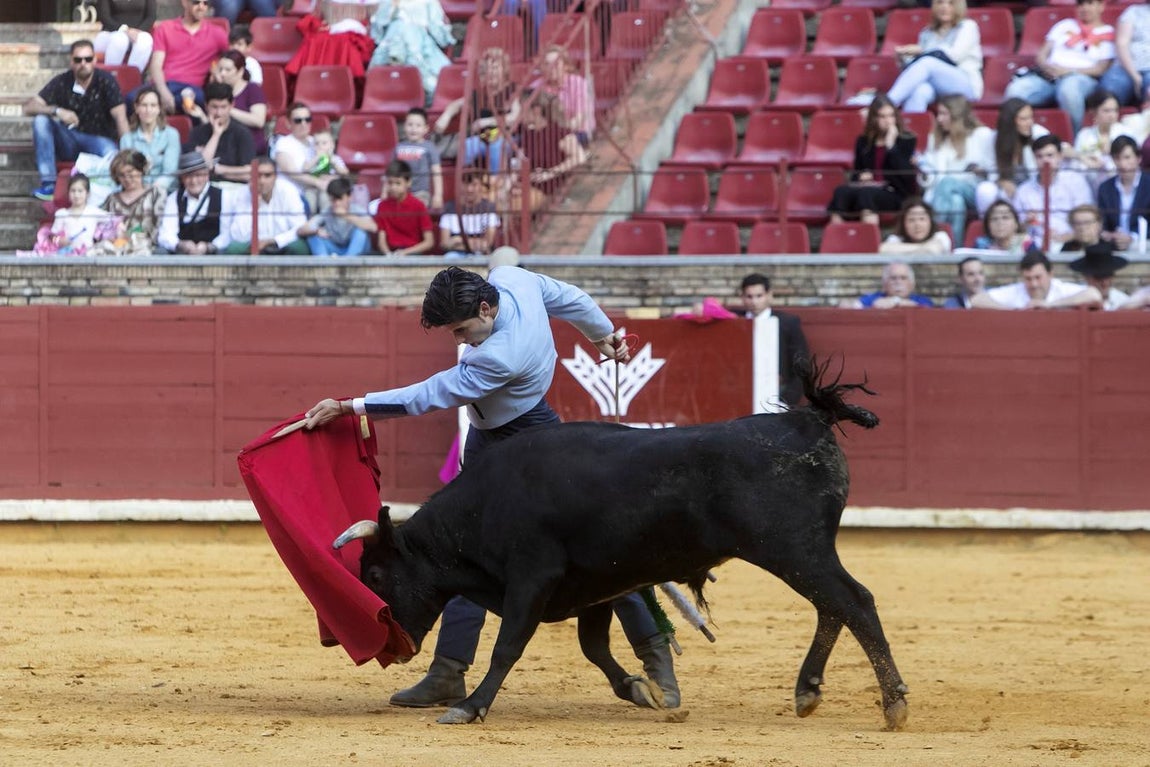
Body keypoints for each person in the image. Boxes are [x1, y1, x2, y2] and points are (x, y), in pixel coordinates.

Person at [301, 265, 681, 711]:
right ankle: (448, 671)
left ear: (485, 307)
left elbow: (429, 395)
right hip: (487, 438)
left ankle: (656, 659)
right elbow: (572, 298)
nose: (459, 341)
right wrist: (603, 336)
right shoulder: (513, 278)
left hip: (531, 440)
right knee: (456, 550)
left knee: (602, 549)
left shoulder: (499, 356)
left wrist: (351, 407)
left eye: (462, 330)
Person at [25, 39, 128, 201]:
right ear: (71, 61)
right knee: (40, 120)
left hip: (100, 139)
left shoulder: (106, 81)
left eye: (87, 59)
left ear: (94, 60)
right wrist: (56, 110)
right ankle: (49, 184)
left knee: (110, 151)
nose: (83, 64)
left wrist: (128, 153)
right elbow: (29, 107)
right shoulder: (62, 81)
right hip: (70, 139)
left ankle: (118, 188)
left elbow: (120, 117)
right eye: (78, 60)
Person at [1003, 0, 1115, 135]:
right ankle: (1014, 140)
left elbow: (1101, 68)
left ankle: (1073, 138)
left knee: (1069, 90)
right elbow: (1042, 55)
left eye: (1090, 3)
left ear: (1101, 6)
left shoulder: (1108, 32)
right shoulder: (1064, 25)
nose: (1084, 8)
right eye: (1080, 4)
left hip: (1082, 78)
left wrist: (1068, 71)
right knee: (1015, 91)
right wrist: (1047, 67)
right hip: (1049, 77)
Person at [827, 94, 918, 226]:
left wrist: (891, 146)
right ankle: (837, 240)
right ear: (873, 118)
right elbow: (855, 174)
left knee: (867, 195)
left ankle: (868, 242)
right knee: (841, 192)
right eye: (882, 116)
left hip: (895, 192)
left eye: (891, 116)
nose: (888, 121)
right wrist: (861, 177)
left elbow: (906, 177)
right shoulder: (863, 142)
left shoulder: (906, 140)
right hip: (870, 188)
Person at [916, 95, 993, 246]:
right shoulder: (936, 139)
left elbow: (993, 168)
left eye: (944, 114)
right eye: (939, 114)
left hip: (975, 191)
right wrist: (923, 170)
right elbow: (931, 178)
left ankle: (934, 234)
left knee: (948, 182)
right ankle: (953, 248)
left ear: (957, 115)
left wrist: (980, 170)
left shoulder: (982, 135)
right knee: (956, 203)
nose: (939, 119)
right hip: (946, 196)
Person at [885, 0, 983, 113]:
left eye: (950, 3)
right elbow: (917, 69)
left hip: (965, 84)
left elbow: (954, 56)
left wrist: (922, 50)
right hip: (936, 85)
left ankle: (887, 105)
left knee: (928, 62)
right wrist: (902, 59)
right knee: (919, 91)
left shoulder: (967, 26)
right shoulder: (927, 32)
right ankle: (912, 128)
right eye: (940, 3)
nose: (944, 7)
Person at [436, 48, 520, 173]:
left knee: (496, 146)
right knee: (468, 146)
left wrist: (487, 122)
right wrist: (446, 116)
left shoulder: (513, 90)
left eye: (495, 67)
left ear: (504, 70)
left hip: (507, 137)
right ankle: (467, 183)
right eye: (488, 68)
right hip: (482, 137)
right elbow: (457, 104)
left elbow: (514, 116)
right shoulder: (479, 93)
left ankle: (495, 184)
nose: (491, 72)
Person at [505, 91, 587, 212]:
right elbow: (520, 163)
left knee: (518, 205)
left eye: (522, 110)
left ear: (536, 110)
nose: (519, 115)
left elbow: (579, 157)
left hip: (547, 188)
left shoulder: (560, 133)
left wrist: (550, 172)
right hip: (526, 185)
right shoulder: (528, 136)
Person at [738, 273, 810, 408]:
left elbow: (801, 365)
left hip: (777, 394)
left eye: (759, 296)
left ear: (769, 295)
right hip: (739, 392)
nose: (754, 302)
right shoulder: (733, 320)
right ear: (742, 297)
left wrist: (786, 401)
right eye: (749, 296)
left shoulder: (788, 323)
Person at [1011, 134, 1095, 248]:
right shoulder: (1023, 190)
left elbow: (1088, 219)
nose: (1045, 160)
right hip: (1034, 248)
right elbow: (1016, 228)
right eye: (1039, 156)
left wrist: (1069, 236)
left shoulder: (1075, 181)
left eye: (1050, 155)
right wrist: (1026, 222)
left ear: (1060, 157)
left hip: (1073, 244)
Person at [146, 0, 228, 115]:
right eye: (196, 2)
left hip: (193, 88)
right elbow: (156, 66)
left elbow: (233, 60)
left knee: (195, 100)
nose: (201, 7)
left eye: (205, 3)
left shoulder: (217, 33)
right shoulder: (165, 28)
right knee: (131, 99)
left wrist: (216, 70)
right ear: (184, 2)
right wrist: (164, 93)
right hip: (165, 84)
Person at [975, 98, 1051, 216]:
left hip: (1033, 188)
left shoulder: (1038, 133)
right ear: (1010, 121)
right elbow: (990, 169)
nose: (1030, 122)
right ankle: (989, 226)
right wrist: (1001, 181)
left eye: (1031, 117)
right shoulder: (993, 138)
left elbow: (1057, 147)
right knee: (985, 190)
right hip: (1007, 190)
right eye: (1024, 119)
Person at [367, 0, 455, 100]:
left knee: (408, 31)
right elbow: (376, 35)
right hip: (389, 47)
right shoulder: (387, 2)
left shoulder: (429, 2)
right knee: (399, 27)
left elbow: (441, 37)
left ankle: (404, 61)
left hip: (421, 46)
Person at [225, 156, 310, 254]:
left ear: (275, 177)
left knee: (299, 247)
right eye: (258, 175)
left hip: (281, 243)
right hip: (252, 245)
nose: (262, 181)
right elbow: (237, 236)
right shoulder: (242, 193)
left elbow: (300, 227)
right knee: (234, 248)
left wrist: (273, 241)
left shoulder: (288, 191)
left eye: (267, 175)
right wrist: (254, 206)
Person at [971, 248, 1101, 310]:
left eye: (1038, 277)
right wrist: (1013, 311)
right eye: (1028, 278)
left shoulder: (1060, 288)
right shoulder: (1017, 290)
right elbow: (977, 300)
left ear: (1050, 275)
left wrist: (1049, 305)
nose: (1033, 284)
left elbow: (1094, 295)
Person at [157, 150, 232, 255]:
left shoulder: (223, 196)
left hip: (214, 256)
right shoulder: (173, 198)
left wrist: (209, 247)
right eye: (188, 176)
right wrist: (180, 245)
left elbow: (227, 233)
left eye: (198, 175)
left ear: (206, 175)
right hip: (182, 256)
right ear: (182, 178)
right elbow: (166, 233)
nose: (193, 181)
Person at [183, 82, 254, 184]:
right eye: (214, 107)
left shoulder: (242, 133)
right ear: (206, 106)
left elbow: (249, 172)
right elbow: (201, 168)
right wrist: (216, 134)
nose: (218, 113)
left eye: (223, 107)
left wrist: (219, 169)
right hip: (205, 188)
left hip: (235, 189)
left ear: (231, 105)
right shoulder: (197, 133)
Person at [99, 148, 166, 253]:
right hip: (114, 247)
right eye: (122, 175)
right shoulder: (111, 199)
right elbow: (102, 226)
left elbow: (157, 228)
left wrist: (130, 235)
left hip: (145, 248)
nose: (127, 178)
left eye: (130, 172)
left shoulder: (156, 193)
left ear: (141, 170)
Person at [1068, 89, 1134, 193]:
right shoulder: (1084, 134)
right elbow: (1078, 162)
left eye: (1115, 110)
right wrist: (1084, 159)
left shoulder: (1126, 132)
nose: (1112, 115)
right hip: (1088, 184)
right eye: (1106, 111)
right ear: (1094, 112)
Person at [273, 102, 332, 212]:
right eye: (298, 121)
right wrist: (319, 183)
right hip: (292, 196)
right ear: (288, 123)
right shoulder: (283, 143)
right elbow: (293, 173)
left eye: (307, 119)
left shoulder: (316, 142)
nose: (304, 124)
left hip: (314, 192)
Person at [120, 86, 180, 193]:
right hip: (136, 193)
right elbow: (128, 174)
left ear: (159, 109)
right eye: (144, 105)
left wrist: (152, 191)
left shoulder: (171, 134)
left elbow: (169, 172)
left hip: (166, 192)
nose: (148, 110)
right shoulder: (127, 139)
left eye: (153, 105)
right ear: (136, 108)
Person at [207, 50, 268, 154]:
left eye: (227, 70)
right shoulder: (216, 90)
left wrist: (228, 110)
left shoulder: (252, 89)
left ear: (240, 71)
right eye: (220, 69)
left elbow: (259, 120)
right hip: (224, 146)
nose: (222, 73)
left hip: (250, 146)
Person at [533, 45, 596, 146]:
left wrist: (560, 130)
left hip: (578, 131)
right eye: (547, 64)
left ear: (565, 66)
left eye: (556, 64)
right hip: (548, 134)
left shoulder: (578, 83)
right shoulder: (537, 87)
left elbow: (580, 118)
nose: (551, 68)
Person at [1097, 136, 1150, 250]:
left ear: (1138, 158)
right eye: (1117, 158)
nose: (1122, 164)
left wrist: (1132, 237)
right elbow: (1102, 222)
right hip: (1113, 247)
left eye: (1127, 157)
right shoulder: (1105, 188)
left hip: (1144, 245)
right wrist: (1108, 234)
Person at [372, 159, 434, 256]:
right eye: (390, 183)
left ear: (408, 182)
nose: (393, 187)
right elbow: (381, 241)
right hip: (390, 253)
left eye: (398, 183)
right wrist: (388, 254)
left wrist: (404, 253)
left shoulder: (418, 205)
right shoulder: (382, 206)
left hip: (413, 253)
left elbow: (429, 242)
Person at [298, 177, 372, 256]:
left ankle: (349, 263)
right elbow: (301, 230)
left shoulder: (357, 209)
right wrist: (316, 231)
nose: (336, 203)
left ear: (349, 197)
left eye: (339, 199)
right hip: (335, 249)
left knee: (360, 232)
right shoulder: (327, 211)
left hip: (355, 251)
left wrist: (346, 216)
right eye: (333, 199)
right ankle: (323, 264)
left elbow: (373, 227)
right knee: (313, 236)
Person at [1098, 0, 1150, 107]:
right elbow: (1122, 44)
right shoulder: (1133, 12)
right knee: (1109, 90)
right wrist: (1135, 76)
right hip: (1125, 67)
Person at [439, 167, 499, 257]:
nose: (469, 189)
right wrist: (474, 243)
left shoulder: (489, 208)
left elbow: (487, 244)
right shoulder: (450, 208)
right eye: (466, 184)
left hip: (480, 255)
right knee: (450, 257)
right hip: (455, 255)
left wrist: (457, 240)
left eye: (474, 184)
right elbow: (444, 243)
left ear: (481, 186)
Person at [395, 107, 444, 209]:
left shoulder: (430, 147)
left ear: (426, 129)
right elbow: (391, 172)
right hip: (399, 192)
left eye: (418, 125)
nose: (413, 129)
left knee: (414, 209)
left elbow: (437, 173)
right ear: (404, 126)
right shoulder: (398, 147)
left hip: (421, 193)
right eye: (410, 125)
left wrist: (438, 195)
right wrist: (385, 192)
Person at [48, 174, 108, 254]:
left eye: (80, 191)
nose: (76, 195)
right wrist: (59, 240)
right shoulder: (61, 213)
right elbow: (52, 236)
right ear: (68, 192)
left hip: (89, 255)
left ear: (87, 193)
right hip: (67, 255)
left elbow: (113, 219)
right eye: (73, 191)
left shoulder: (93, 212)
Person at [94, 0, 155, 74]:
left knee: (145, 39)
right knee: (120, 39)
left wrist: (138, 31)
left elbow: (151, 17)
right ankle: (111, 77)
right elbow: (104, 17)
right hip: (110, 33)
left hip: (137, 33)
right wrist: (125, 30)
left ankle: (131, 77)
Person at [846, 260, 935, 308]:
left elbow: (927, 310)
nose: (898, 282)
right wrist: (873, 307)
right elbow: (849, 306)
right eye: (893, 278)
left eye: (903, 278)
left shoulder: (921, 300)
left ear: (912, 284)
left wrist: (896, 301)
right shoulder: (874, 298)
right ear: (884, 284)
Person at [880, 198, 953, 255]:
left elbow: (934, 249)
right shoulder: (896, 239)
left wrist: (901, 249)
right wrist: (923, 248)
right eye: (911, 220)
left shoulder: (940, 237)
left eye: (922, 219)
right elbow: (883, 249)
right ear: (903, 223)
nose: (917, 224)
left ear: (930, 221)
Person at [1069, 241, 1130, 309]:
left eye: (1108, 276)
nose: (1105, 283)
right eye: (1099, 277)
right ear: (1086, 277)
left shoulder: (1121, 300)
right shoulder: (1072, 293)